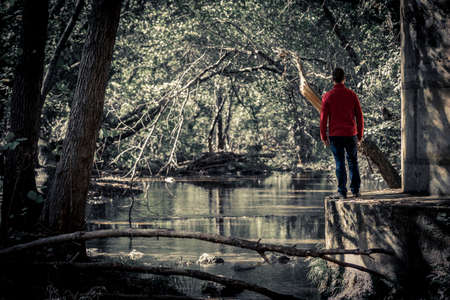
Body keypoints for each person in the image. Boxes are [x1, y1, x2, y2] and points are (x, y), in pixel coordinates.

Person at [320, 67, 364, 199]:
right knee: (353, 161)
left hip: (335, 135)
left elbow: (323, 119)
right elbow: (359, 116)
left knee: (339, 162)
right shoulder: (352, 95)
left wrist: (323, 136)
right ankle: (355, 190)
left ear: (332, 79)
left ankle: (342, 191)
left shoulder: (328, 96)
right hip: (351, 134)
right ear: (344, 79)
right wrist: (360, 135)